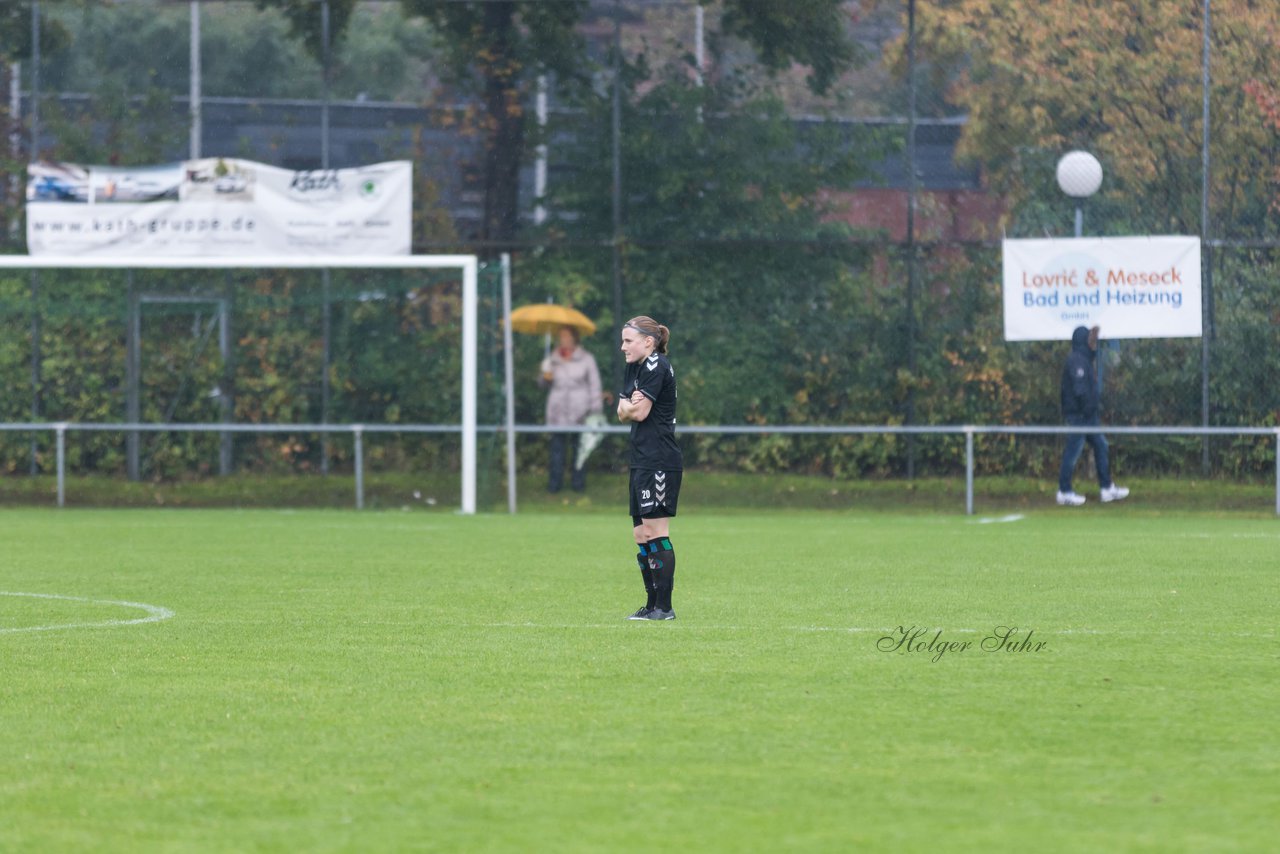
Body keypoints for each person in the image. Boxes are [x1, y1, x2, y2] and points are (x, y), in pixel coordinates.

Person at [616, 315, 682, 621]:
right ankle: (650, 605)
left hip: (659, 460)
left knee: (656, 531)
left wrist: (631, 405)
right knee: (641, 534)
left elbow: (638, 412)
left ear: (648, 341)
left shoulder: (657, 365)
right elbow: (621, 411)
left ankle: (664, 608)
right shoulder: (635, 365)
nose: (623, 347)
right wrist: (630, 404)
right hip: (641, 458)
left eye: (628, 341)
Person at [1057, 325, 1129, 506]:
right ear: (1083, 340)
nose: (1094, 343)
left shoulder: (1084, 359)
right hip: (1079, 417)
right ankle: (1064, 492)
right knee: (1073, 452)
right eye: (1090, 339)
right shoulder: (1077, 361)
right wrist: (1089, 408)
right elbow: (1080, 390)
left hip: (1087, 417)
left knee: (1101, 445)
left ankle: (1106, 488)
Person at [538, 326, 603, 493]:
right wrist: (545, 375)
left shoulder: (587, 359)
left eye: (567, 336)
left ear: (575, 339)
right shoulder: (551, 359)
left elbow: (595, 386)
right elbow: (543, 385)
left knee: (579, 451)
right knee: (556, 451)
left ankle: (578, 485)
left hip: (580, 412)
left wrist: (595, 410)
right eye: (561, 337)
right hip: (557, 411)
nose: (563, 340)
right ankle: (554, 486)